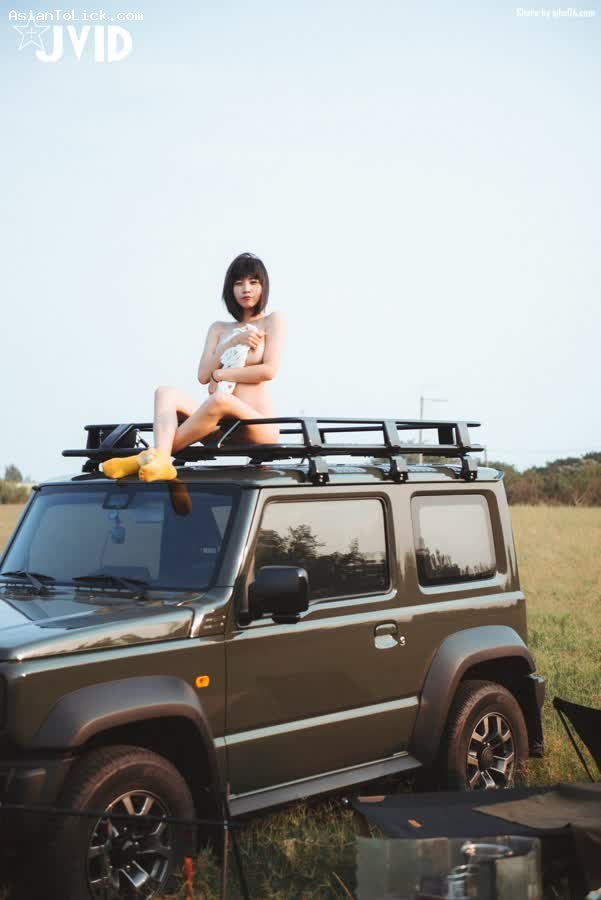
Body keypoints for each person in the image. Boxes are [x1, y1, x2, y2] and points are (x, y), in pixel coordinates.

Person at [102, 252, 286, 482]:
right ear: (230, 289)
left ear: (263, 286)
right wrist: (232, 342)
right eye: (238, 283)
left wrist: (221, 373)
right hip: (219, 426)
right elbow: (203, 375)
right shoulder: (219, 328)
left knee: (219, 400)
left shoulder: (272, 320)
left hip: (258, 426)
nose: (246, 289)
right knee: (165, 392)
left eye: (253, 282)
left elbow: (269, 370)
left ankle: (151, 456)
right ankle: (160, 458)